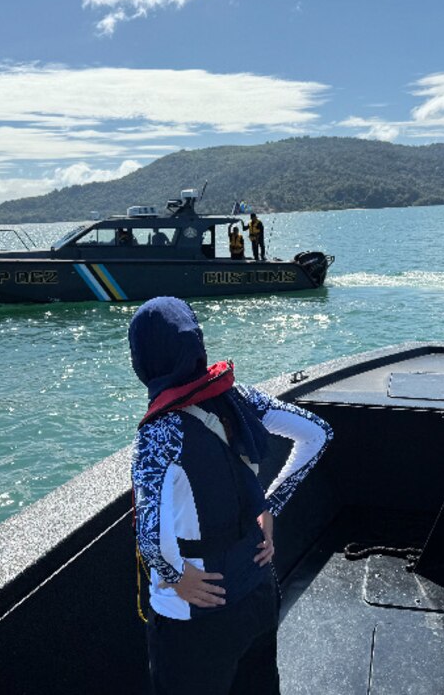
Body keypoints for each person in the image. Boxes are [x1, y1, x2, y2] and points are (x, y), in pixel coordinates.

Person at [129, 297, 333, 695]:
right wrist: (271, 507)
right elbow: (317, 433)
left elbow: (151, 536)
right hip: (257, 589)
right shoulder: (239, 398)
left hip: (196, 615)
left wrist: (176, 577)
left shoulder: (157, 435)